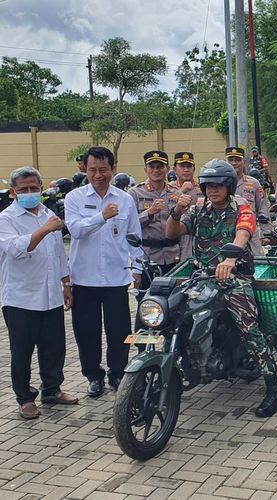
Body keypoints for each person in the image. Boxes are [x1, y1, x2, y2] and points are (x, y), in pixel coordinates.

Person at [166, 159, 277, 418]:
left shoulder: (241, 207)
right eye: (209, 185)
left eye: (218, 185)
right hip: (201, 278)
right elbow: (172, 232)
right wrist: (176, 211)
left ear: (229, 186)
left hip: (235, 277)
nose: (213, 190)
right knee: (170, 313)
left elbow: (243, 232)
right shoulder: (199, 211)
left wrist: (230, 260)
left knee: (249, 328)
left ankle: (274, 388)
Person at [64, 146, 144, 398]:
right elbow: (75, 230)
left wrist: (138, 267)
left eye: (103, 169)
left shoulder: (125, 199)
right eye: (92, 170)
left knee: (119, 330)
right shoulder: (75, 198)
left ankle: (117, 372)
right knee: (86, 331)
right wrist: (101, 216)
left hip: (116, 277)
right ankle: (93, 376)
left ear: (113, 168)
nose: (98, 175)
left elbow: (134, 237)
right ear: (84, 169)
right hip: (84, 278)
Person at [0, 167, 78, 419]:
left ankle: (52, 389)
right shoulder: (6, 219)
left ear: (42, 187)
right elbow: (14, 249)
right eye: (23, 190)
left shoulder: (48, 212)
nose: (29, 193)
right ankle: (24, 398)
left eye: (34, 188)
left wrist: (66, 284)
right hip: (20, 297)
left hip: (50, 295)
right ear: (13, 192)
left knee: (53, 347)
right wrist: (44, 229)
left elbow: (58, 253)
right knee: (22, 351)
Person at [129, 151, 181, 291]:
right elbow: (129, 226)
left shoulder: (176, 193)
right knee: (147, 301)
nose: (156, 170)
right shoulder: (134, 193)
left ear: (168, 169)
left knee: (175, 300)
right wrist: (149, 213)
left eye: (160, 166)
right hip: (147, 257)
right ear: (145, 169)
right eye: (152, 167)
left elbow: (183, 225)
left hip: (173, 256)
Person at [226, 148, 272, 255]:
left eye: (237, 160)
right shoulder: (221, 184)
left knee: (257, 262)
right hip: (227, 231)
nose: (234, 163)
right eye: (231, 160)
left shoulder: (254, 183)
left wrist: (266, 233)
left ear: (244, 162)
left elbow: (262, 208)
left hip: (251, 231)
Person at [170, 152, 202, 260]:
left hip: (194, 236)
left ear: (194, 168)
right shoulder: (169, 188)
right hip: (173, 237)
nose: (186, 169)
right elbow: (165, 209)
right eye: (182, 166)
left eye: (189, 166)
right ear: (174, 169)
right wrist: (181, 191)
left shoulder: (202, 187)